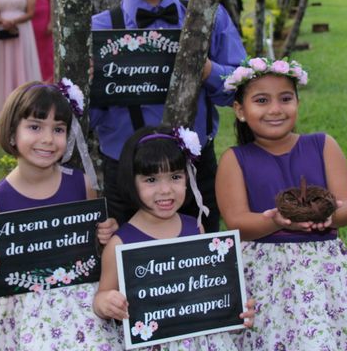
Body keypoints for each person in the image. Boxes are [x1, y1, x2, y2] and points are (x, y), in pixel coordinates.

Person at [216, 57, 347, 350]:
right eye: (262, 101)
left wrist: (330, 217)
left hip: (324, 269)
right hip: (265, 273)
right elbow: (237, 223)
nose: (275, 109)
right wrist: (274, 221)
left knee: (329, 332)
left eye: (285, 99)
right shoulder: (234, 160)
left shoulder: (323, 145)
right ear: (240, 110)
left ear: (297, 103)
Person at [90, 0, 247, 232]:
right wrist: (90, 84)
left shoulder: (209, 19)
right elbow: (78, 120)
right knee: (131, 271)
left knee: (201, 269)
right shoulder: (96, 30)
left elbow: (242, 88)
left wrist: (205, 69)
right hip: (126, 175)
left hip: (195, 171)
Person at [0, 80, 123, 350]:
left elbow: (94, 248)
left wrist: (105, 234)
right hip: (26, 314)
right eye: (35, 127)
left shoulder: (81, 184)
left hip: (81, 307)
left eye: (58, 129)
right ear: (12, 133)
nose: (48, 139)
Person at [94, 125, 255, 349]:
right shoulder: (119, 243)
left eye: (175, 177)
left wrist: (233, 306)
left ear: (188, 177)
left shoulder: (196, 228)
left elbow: (212, 287)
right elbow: (101, 295)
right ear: (131, 182)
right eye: (151, 180)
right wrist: (106, 303)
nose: (166, 190)